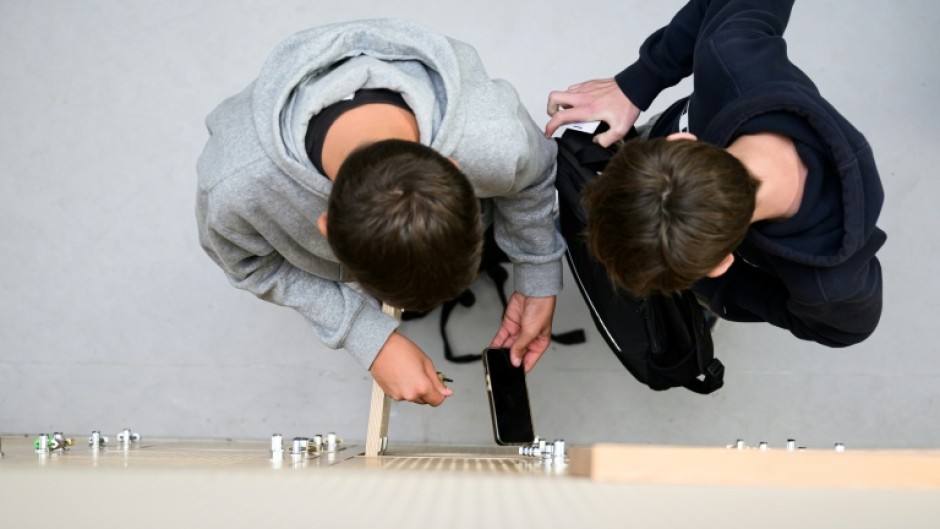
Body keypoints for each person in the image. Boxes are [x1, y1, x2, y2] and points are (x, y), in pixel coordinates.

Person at [196, 18, 565, 406]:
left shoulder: (494, 141)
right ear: (325, 227)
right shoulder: (237, 191)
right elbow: (245, 263)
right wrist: (365, 334)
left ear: (458, 169)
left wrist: (538, 274)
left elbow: (534, 174)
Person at [544, 0, 885, 347]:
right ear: (681, 140)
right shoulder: (730, 55)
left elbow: (847, 329)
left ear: (722, 263)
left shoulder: (828, 284)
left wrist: (726, 291)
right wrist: (640, 81)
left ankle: (694, 296)